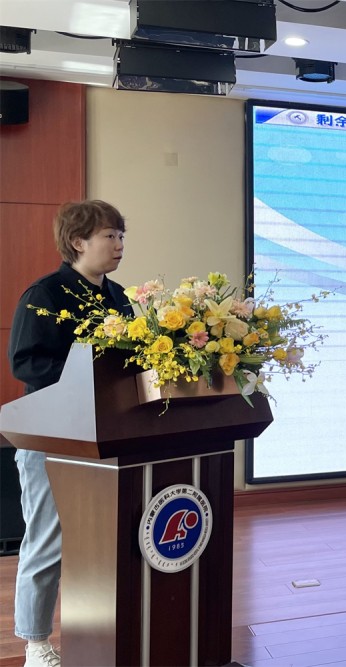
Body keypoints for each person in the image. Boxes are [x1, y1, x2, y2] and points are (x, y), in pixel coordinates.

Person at [7, 200, 129, 667]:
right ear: (78, 241)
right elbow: (26, 363)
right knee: (47, 540)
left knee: (101, 540)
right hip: (50, 436)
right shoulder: (45, 294)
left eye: (121, 236)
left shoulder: (119, 296)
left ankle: (98, 633)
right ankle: (36, 644)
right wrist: (85, 374)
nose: (119, 244)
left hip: (105, 435)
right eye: (109, 236)